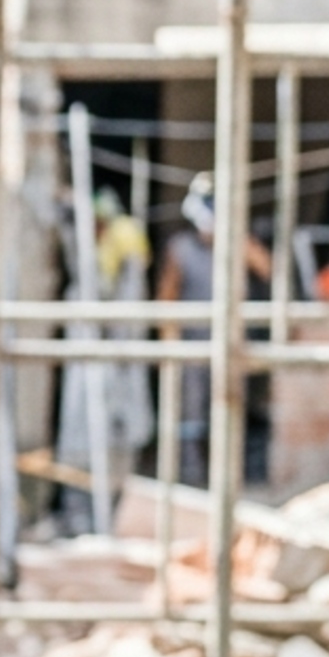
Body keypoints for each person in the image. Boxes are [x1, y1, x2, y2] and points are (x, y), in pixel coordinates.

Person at [155, 173, 272, 483]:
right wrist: (170, 345)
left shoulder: (238, 244)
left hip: (232, 339)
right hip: (193, 342)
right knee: (192, 414)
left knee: (231, 407)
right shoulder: (181, 248)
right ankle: (190, 477)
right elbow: (167, 298)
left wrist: (234, 238)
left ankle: (232, 476)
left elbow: (265, 267)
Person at [55, 187, 155, 530]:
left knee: (115, 446)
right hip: (91, 365)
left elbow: (122, 321)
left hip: (117, 366)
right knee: (82, 446)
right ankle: (81, 518)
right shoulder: (92, 261)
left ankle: (108, 519)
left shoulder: (124, 255)